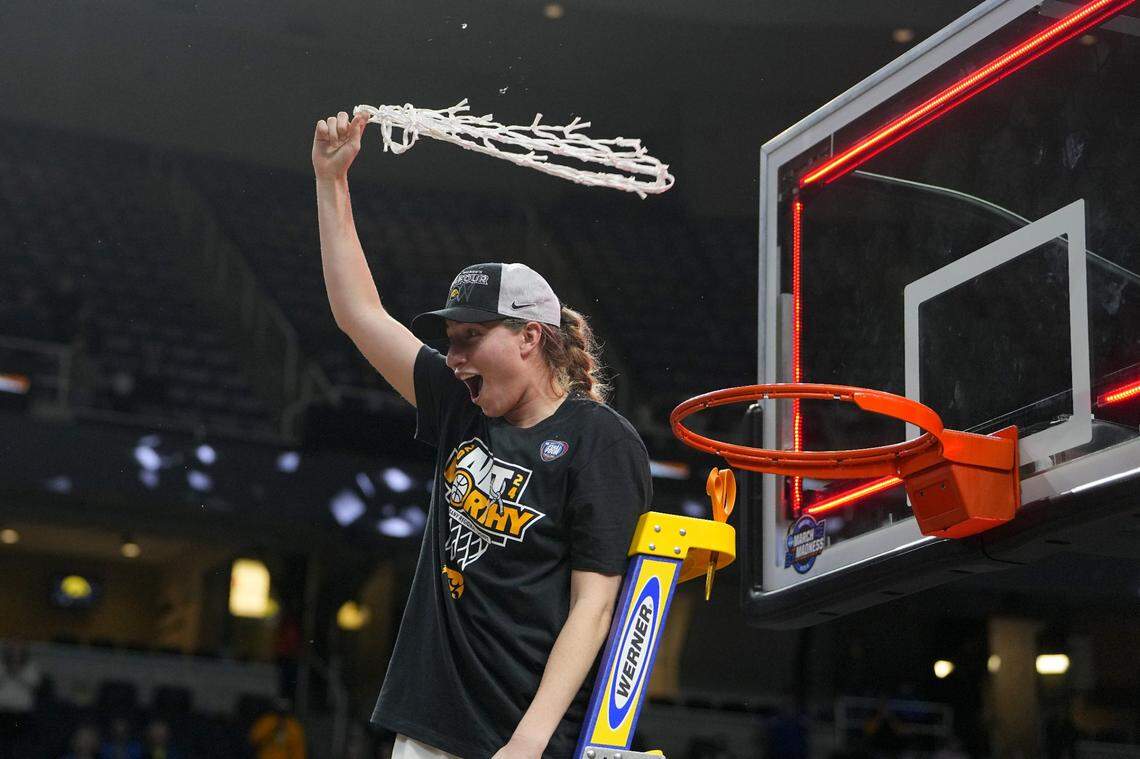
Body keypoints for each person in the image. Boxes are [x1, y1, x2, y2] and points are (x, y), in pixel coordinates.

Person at [313, 111, 652, 759]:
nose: (456, 356)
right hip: (428, 729)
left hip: (523, 739)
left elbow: (593, 606)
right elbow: (358, 314)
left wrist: (528, 741)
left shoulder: (599, 440)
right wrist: (332, 183)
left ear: (530, 337)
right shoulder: (459, 403)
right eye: (451, 341)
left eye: (471, 338)